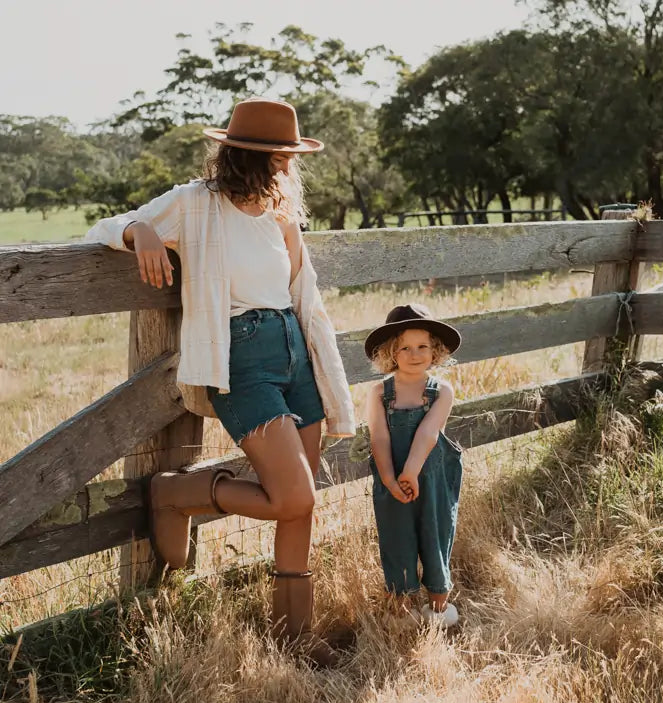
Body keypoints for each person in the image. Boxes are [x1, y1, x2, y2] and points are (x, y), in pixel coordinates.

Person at [84, 98, 356, 666]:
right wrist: (144, 233)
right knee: (295, 495)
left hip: (293, 354)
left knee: (299, 506)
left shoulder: (282, 216)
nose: (287, 163)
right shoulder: (194, 204)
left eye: (289, 153)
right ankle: (175, 494)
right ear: (251, 154)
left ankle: (292, 640)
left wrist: (324, 369)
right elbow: (106, 226)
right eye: (281, 153)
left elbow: (303, 296)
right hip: (242, 362)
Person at [364, 303, 463, 627]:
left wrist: (411, 471)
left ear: (435, 351)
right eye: (404, 348)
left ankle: (438, 607)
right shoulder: (379, 393)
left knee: (436, 537)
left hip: (432, 482)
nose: (414, 354)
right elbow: (379, 438)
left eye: (422, 346)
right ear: (391, 353)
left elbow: (429, 432)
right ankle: (402, 610)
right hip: (392, 481)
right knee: (397, 540)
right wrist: (392, 479)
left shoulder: (441, 392)